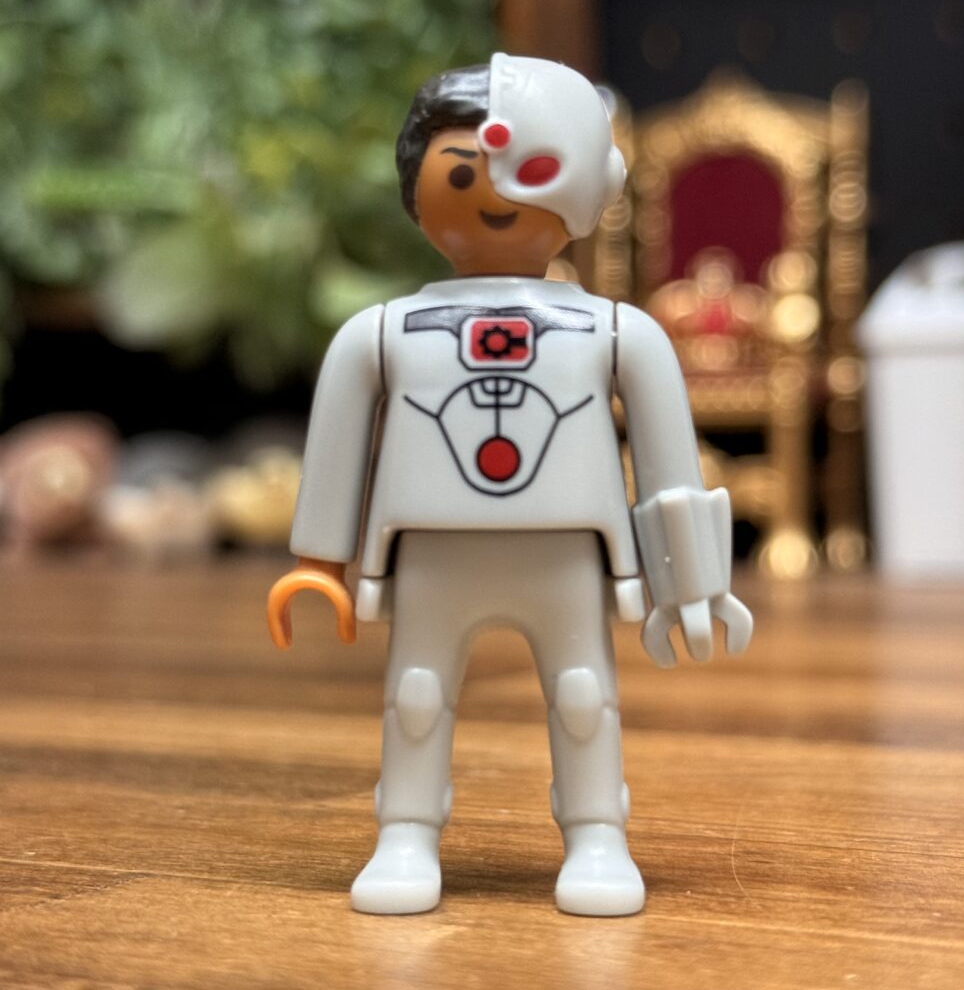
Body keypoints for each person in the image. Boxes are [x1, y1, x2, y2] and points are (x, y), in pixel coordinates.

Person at [267, 53, 752, 916]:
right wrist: (318, 560)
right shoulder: (384, 332)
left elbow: (669, 459)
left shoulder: (616, 331)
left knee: (583, 693)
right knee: (417, 694)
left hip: (566, 551)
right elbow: (337, 442)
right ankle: (404, 835)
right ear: (417, 188)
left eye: (526, 168)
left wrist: (695, 580)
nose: (492, 193)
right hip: (432, 550)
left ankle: (598, 837)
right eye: (462, 170)